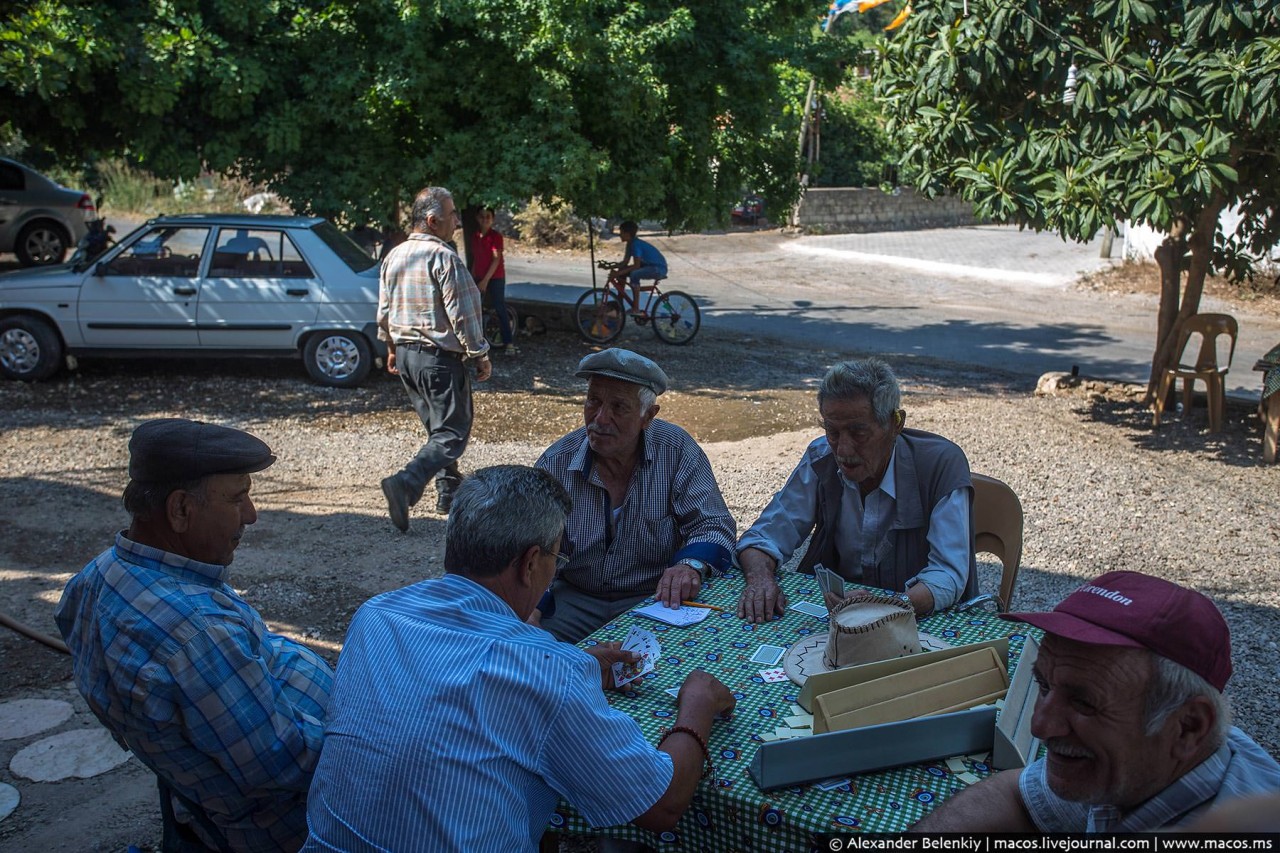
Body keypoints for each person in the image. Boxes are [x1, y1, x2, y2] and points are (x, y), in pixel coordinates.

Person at [302, 465, 736, 851]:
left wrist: (574, 664)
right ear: (531, 563)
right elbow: (660, 806)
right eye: (556, 556)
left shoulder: (376, 616)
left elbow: (455, 685)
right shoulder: (545, 670)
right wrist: (697, 706)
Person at [55, 418, 333, 852]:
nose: (252, 515)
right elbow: (283, 764)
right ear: (181, 509)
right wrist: (372, 738)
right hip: (286, 822)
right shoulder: (194, 634)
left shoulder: (96, 577)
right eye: (237, 498)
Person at [912, 571, 1280, 832]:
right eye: (1043, 685)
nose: (1039, 725)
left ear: (1188, 727)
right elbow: (1019, 796)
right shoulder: (1140, 767)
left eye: (1084, 703)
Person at [736, 357, 976, 623]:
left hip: (918, 620)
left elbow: (948, 575)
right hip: (840, 619)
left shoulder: (941, 465)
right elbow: (763, 537)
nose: (843, 450)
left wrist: (889, 605)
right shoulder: (821, 457)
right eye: (832, 431)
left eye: (859, 433)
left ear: (895, 424)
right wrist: (760, 579)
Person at [534, 348, 736, 644]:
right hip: (576, 597)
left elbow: (713, 524)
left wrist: (688, 566)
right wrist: (533, 611)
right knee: (527, 655)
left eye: (619, 407)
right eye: (594, 401)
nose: (600, 418)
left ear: (648, 416)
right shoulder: (556, 463)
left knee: (703, 653)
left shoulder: (676, 450)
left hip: (654, 598)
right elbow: (531, 549)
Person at [377, 186, 491, 530]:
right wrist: (479, 353)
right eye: (453, 214)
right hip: (437, 358)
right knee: (452, 432)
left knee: (437, 430)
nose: (457, 221)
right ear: (432, 220)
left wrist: (391, 347)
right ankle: (406, 483)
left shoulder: (394, 256)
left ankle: (448, 493)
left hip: (409, 358)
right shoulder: (443, 257)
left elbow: (384, 309)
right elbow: (464, 311)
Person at [471, 206, 516, 354]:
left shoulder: (496, 237)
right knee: (474, 307)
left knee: (499, 307)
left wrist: (485, 281)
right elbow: (475, 260)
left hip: (495, 277)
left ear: (492, 219)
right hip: (479, 276)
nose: (485, 220)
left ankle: (509, 343)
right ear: (478, 218)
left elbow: (496, 260)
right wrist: (472, 278)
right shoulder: (475, 236)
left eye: (488, 217)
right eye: (482, 216)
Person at [608, 220, 668, 313]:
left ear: (627, 234)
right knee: (622, 271)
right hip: (648, 266)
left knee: (634, 274)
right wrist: (611, 266)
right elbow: (625, 262)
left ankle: (635, 308)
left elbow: (636, 265)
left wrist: (617, 273)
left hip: (658, 268)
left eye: (621, 233)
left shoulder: (635, 244)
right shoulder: (630, 243)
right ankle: (619, 303)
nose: (620, 235)